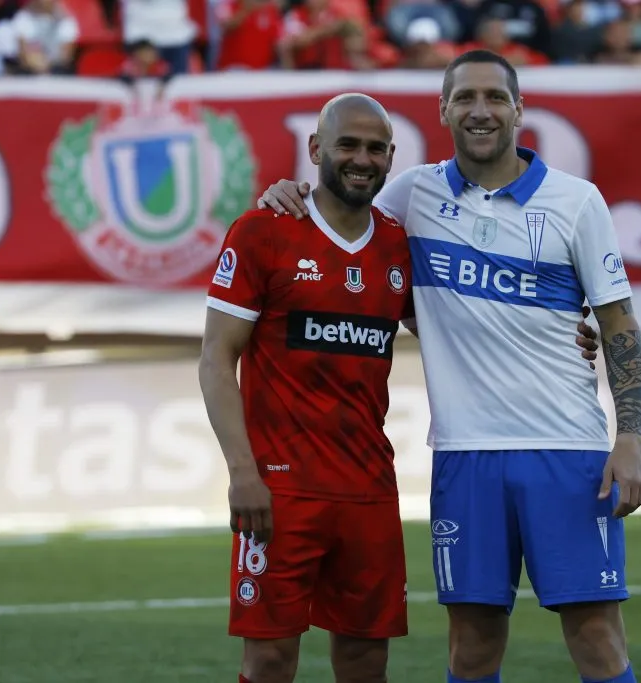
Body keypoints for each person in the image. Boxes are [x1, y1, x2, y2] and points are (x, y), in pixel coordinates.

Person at [257, 50, 641, 683]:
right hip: (465, 454)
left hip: (567, 448)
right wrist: (290, 191)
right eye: (465, 97)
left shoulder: (577, 201)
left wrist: (629, 439)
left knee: (596, 635)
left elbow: (619, 326)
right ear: (443, 110)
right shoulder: (413, 194)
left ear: (518, 109)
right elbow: (342, 214)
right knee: (471, 642)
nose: (480, 110)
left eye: (495, 97)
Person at [198, 93, 415, 683]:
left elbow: (459, 332)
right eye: (348, 145)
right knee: (269, 659)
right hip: (281, 491)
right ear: (317, 149)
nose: (362, 159)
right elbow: (216, 359)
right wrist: (243, 473)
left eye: (375, 148)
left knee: (366, 660)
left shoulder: (400, 246)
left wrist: (569, 330)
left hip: (369, 489)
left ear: (390, 157)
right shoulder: (263, 232)